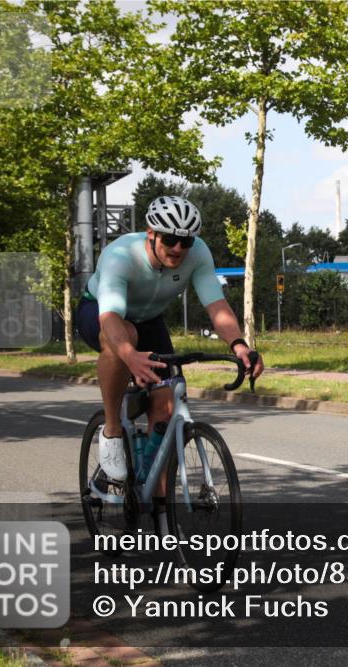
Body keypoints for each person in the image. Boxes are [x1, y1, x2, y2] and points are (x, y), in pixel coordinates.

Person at [75, 195, 263, 484]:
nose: (178, 248)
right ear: (151, 233)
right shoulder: (120, 255)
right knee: (125, 338)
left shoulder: (198, 253)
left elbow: (216, 306)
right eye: (170, 239)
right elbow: (110, 317)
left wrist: (239, 344)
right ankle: (112, 431)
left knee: (166, 410)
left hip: (150, 320)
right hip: (100, 313)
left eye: (185, 242)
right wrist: (129, 354)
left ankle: (161, 515)